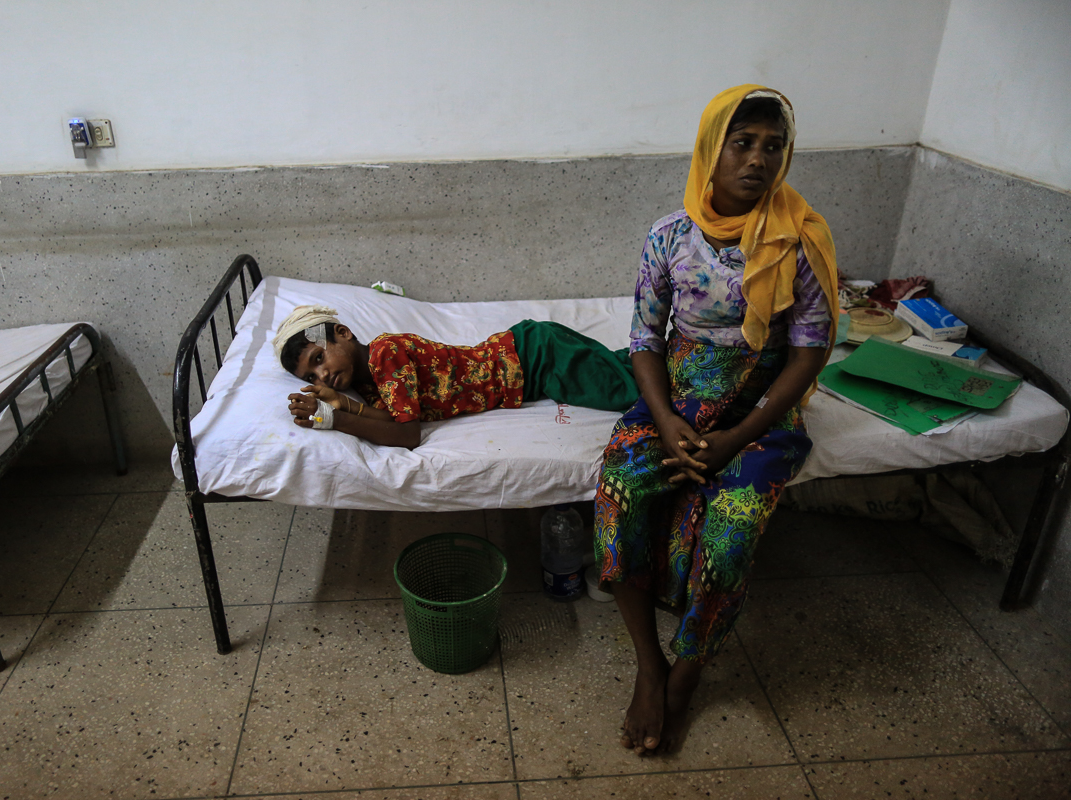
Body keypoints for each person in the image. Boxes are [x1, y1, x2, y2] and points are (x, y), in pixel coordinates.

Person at [594, 85, 839, 756]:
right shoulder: (669, 236)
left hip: (760, 413)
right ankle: (650, 667)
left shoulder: (798, 238)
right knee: (622, 494)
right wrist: (668, 421)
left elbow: (810, 350)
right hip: (674, 400)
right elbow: (645, 339)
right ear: (711, 150)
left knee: (731, 537)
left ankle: (686, 676)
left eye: (773, 146)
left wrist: (735, 437)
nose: (758, 159)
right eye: (742, 143)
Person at [272, 307, 639, 448]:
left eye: (319, 357)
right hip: (532, 362)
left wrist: (335, 419)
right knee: (624, 369)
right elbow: (395, 418)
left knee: (630, 391)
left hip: (537, 356)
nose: (323, 374)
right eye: (312, 374)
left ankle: (691, 367)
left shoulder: (385, 354)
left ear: (344, 333)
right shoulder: (365, 381)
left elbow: (406, 434)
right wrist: (345, 404)